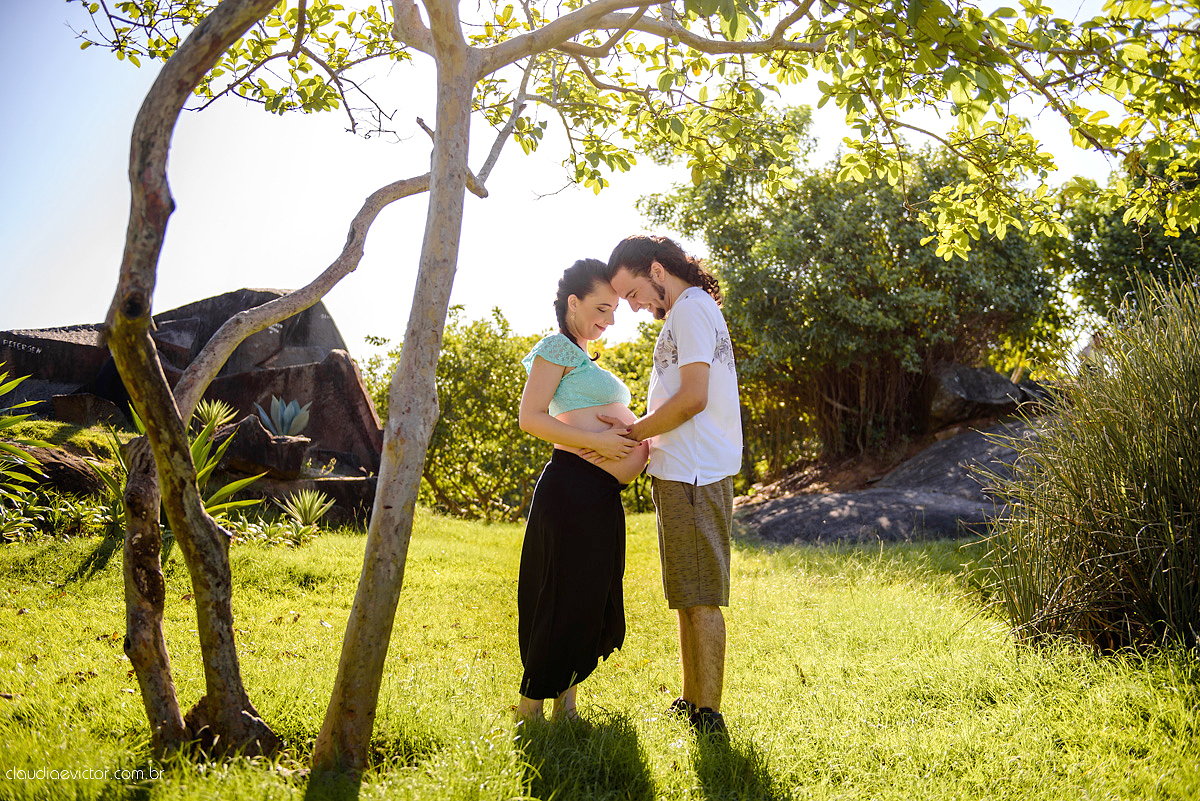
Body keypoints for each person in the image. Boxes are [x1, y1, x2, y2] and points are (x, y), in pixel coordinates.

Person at [602, 234, 742, 737]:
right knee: (687, 592)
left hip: (696, 470)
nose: (635, 307)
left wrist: (636, 430)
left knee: (701, 595)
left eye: (634, 292)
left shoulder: (689, 308)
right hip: (679, 469)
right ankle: (690, 700)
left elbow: (695, 397)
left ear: (656, 271)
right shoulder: (688, 309)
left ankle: (710, 714)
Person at [515, 258, 650, 723]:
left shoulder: (581, 354)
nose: (608, 320)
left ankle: (566, 707)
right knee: (559, 592)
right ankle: (530, 708)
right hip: (572, 486)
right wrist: (599, 441)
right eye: (600, 308)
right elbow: (531, 417)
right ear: (572, 303)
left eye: (613, 311)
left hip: (597, 493)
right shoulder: (557, 347)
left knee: (587, 593)